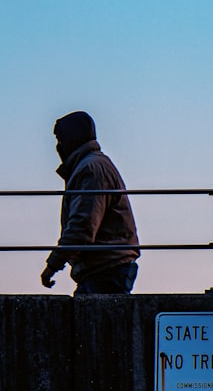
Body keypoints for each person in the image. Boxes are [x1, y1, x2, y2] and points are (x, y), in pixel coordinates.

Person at [40, 110, 140, 295]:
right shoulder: (92, 165)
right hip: (104, 266)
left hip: (106, 266)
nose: (58, 147)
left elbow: (82, 227)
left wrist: (52, 265)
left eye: (60, 140)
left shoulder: (90, 170)